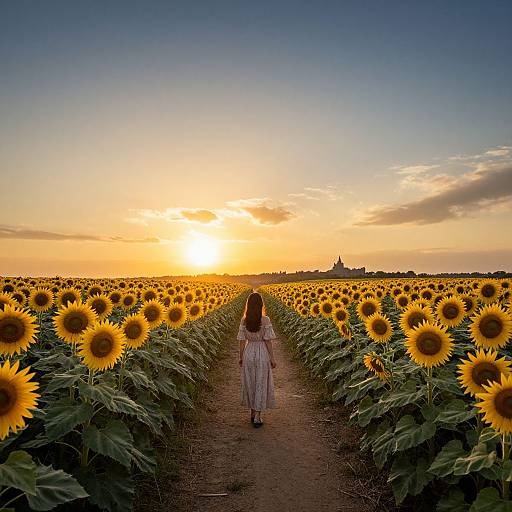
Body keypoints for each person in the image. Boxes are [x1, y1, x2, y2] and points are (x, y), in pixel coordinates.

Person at [237, 291, 277, 428]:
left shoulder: (244, 320)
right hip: (261, 354)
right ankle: (258, 416)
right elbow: (268, 341)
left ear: (248, 305)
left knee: (251, 382)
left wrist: (241, 357)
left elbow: (242, 341)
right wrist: (272, 358)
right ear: (261, 305)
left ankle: (252, 412)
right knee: (260, 382)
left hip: (249, 353)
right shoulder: (265, 320)